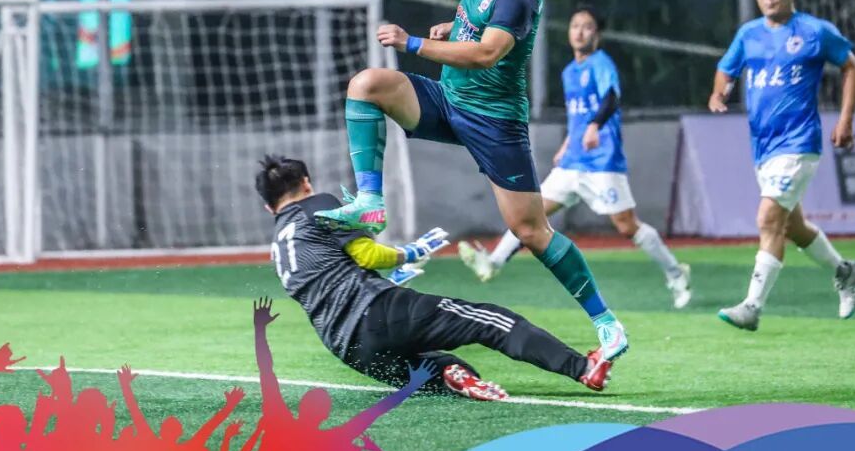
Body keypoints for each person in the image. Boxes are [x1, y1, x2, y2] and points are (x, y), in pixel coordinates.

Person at [312, 0, 630, 362]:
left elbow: (486, 53)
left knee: (530, 230)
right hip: (448, 100)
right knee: (367, 85)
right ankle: (370, 201)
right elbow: (479, 29)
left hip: (494, 123)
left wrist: (413, 42)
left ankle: (607, 324)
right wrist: (452, 28)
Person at [255, 155, 613, 400]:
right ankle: (584, 367)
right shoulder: (317, 204)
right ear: (306, 183)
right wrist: (410, 252)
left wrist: (392, 278)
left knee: (438, 368)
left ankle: (454, 377)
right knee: (490, 321)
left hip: (348, 347)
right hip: (376, 310)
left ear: (269, 207)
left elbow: (330, 286)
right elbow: (366, 256)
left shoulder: (278, 247)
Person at [458, 4, 692, 309]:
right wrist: (567, 144)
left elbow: (611, 98)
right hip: (573, 163)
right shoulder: (569, 72)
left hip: (602, 160)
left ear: (597, 34)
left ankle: (676, 273)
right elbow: (578, 118)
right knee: (529, 214)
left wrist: (594, 126)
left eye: (587, 26)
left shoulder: (601, 63)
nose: (580, 32)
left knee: (626, 226)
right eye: (575, 26)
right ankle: (494, 262)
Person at [708, 0, 855, 331]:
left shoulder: (815, 31)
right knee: (792, 226)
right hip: (763, 146)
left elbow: (851, 67)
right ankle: (846, 271)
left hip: (799, 142)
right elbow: (726, 70)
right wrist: (719, 92)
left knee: (767, 218)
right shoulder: (749, 34)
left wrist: (845, 119)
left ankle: (752, 307)